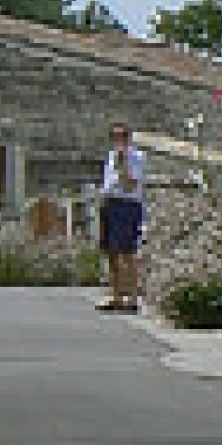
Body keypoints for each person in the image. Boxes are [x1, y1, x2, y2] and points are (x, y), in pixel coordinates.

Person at [96, 122, 147, 312]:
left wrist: (123, 164)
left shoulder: (136, 157)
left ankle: (132, 297)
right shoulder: (110, 157)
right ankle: (116, 295)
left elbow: (131, 185)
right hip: (111, 204)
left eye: (122, 136)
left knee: (128, 251)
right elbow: (109, 182)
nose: (118, 141)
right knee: (112, 252)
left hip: (127, 205)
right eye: (115, 137)